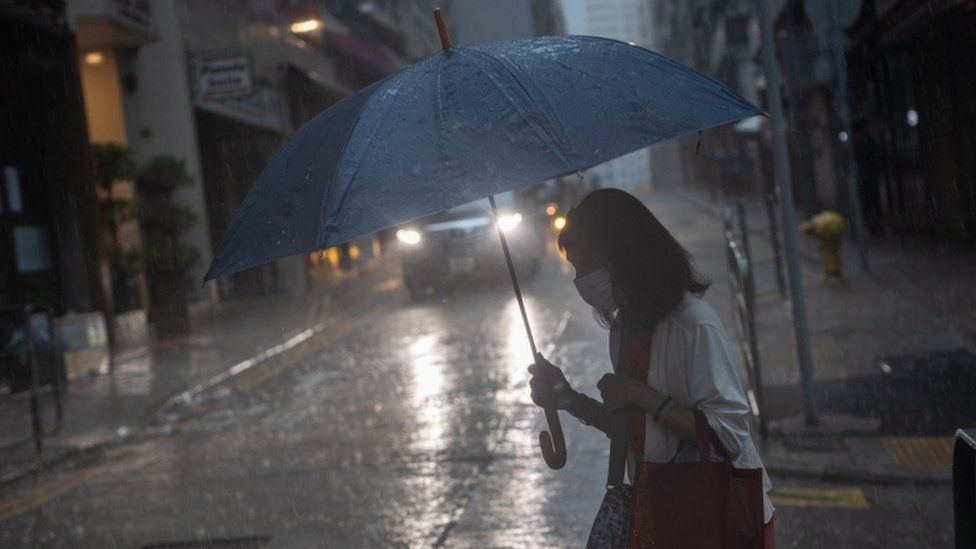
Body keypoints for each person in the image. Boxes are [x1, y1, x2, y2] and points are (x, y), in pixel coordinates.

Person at [527, 188, 775, 547]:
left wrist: (641, 394)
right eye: (574, 267)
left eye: (585, 262)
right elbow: (637, 435)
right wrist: (570, 400)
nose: (581, 279)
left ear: (623, 252)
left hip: (717, 517)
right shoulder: (624, 328)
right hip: (659, 511)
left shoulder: (694, 325)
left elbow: (727, 436)